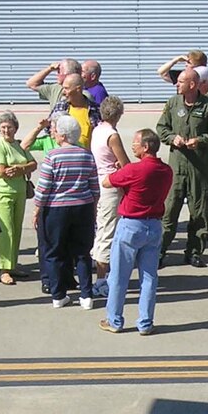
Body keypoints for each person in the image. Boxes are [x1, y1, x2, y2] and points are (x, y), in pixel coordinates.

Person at [100, 128, 173, 335]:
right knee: (149, 277)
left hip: (131, 225)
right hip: (154, 225)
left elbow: (107, 182)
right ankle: (145, 322)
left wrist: (119, 173)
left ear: (146, 146)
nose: (132, 145)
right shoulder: (166, 170)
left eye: (135, 142)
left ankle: (114, 320)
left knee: (118, 276)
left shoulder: (134, 170)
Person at [155, 65, 208, 267]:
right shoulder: (172, 103)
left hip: (199, 169)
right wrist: (171, 138)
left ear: (192, 84)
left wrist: (200, 140)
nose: (177, 84)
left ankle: (194, 252)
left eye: (181, 81)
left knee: (199, 212)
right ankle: (160, 251)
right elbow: (161, 128)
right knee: (169, 210)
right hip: (177, 167)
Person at [33, 114, 100, 308]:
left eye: (55, 131)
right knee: (82, 252)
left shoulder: (52, 156)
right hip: (83, 207)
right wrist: (93, 208)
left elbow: (44, 187)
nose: (53, 134)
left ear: (62, 135)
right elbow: (94, 187)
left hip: (56, 210)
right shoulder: (87, 155)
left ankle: (58, 295)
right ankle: (86, 295)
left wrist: (37, 210)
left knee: (54, 252)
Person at [0, 111, 36, 286]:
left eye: (9, 127)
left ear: (16, 128)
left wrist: (19, 169)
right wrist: (22, 168)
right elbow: (2, 171)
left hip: (20, 192)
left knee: (16, 229)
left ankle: (12, 264)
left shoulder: (18, 145)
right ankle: (4, 269)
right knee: (6, 231)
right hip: (3, 193)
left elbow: (33, 163)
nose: (6, 130)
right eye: (3, 127)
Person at [90, 95, 130, 291]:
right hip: (111, 186)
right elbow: (125, 164)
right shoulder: (112, 135)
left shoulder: (97, 130)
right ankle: (101, 280)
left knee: (101, 227)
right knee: (108, 231)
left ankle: (100, 271)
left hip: (98, 181)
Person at [27, 69, 93, 152]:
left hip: (85, 159)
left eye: (66, 88)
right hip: (62, 156)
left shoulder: (94, 110)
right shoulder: (61, 107)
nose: (63, 92)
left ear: (78, 89)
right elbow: (49, 131)